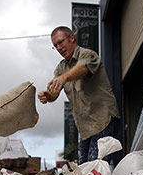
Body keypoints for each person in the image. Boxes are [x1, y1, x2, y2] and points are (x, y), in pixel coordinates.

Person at [38, 26, 120, 164]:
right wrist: (48, 96)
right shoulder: (61, 68)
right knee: (83, 171)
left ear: (71, 38)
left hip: (104, 121)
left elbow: (83, 68)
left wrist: (64, 78)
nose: (59, 48)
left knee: (96, 170)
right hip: (85, 129)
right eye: (55, 46)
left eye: (61, 42)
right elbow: (54, 93)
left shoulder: (88, 55)